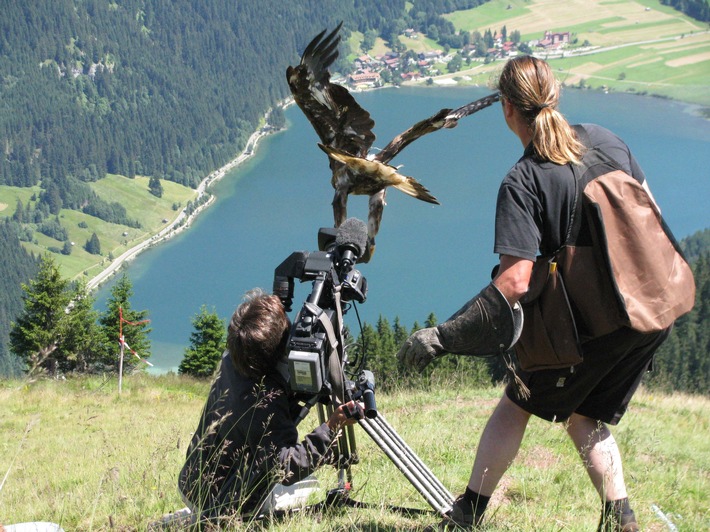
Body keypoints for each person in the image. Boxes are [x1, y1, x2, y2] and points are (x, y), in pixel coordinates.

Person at [396, 55, 672, 531]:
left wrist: (443, 336)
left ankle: (467, 515)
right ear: (555, 94)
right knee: (583, 414)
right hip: (652, 308)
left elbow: (515, 282)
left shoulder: (524, 181)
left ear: (506, 108)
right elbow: (653, 213)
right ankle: (620, 519)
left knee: (517, 402)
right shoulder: (605, 140)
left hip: (600, 322)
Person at [177, 289, 362, 525]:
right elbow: (287, 467)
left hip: (191, 482)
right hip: (221, 503)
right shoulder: (266, 398)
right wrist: (332, 425)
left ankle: (197, 514)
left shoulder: (233, 357)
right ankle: (204, 519)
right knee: (310, 487)